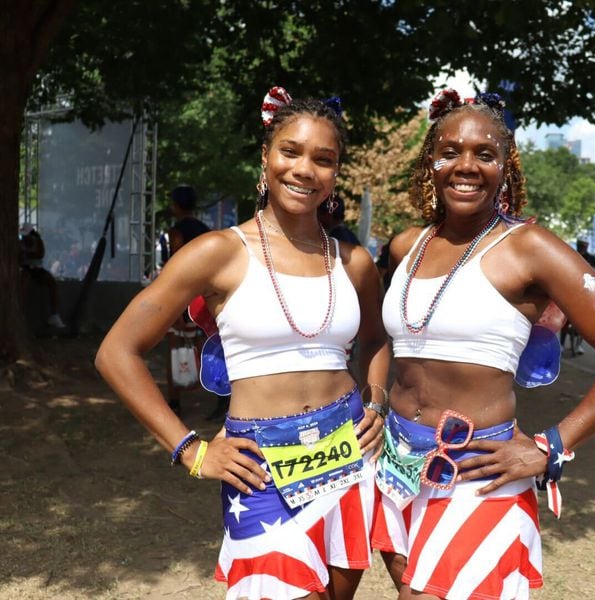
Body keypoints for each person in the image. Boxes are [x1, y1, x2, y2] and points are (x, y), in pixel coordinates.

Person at [95, 86, 390, 600]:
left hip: (347, 456)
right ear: (266, 156)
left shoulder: (353, 261)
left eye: (324, 159)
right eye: (290, 151)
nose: (304, 169)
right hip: (260, 469)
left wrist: (378, 402)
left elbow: (377, 338)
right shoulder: (217, 252)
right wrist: (189, 449)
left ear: (336, 173)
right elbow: (116, 351)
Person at [371, 89, 595, 599]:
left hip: (475, 476)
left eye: (485, 154)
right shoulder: (406, 245)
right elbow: (379, 341)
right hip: (395, 469)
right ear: (430, 163)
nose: (466, 166)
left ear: (507, 166)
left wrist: (551, 446)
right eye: (450, 151)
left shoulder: (530, 248)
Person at [163, 184, 229, 420]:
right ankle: (223, 398)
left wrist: (177, 306)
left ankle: (174, 403)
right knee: (210, 348)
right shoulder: (205, 230)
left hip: (185, 298)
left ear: (176, 205)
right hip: (205, 299)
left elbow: (178, 269)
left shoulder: (177, 232)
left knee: (174, 348)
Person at [18, 223, 67, 329]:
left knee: (53, 284)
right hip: (25, 268)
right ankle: (19, 313)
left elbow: (40, 254)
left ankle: (54, 315)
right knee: (22, 285)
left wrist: (26, 254)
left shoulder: (38, 242)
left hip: (37, 269)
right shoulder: (20, 242)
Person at [560, 238, 595, 354]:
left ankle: (578, 345)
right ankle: (561, 344)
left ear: (587, 246)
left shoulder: (592, 259)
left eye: (584, 246)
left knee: (583, 323)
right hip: (571, 292)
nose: (582, 247)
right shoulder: (571, 256)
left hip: (586, 293)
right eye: (580, 245)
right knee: (565, 320)